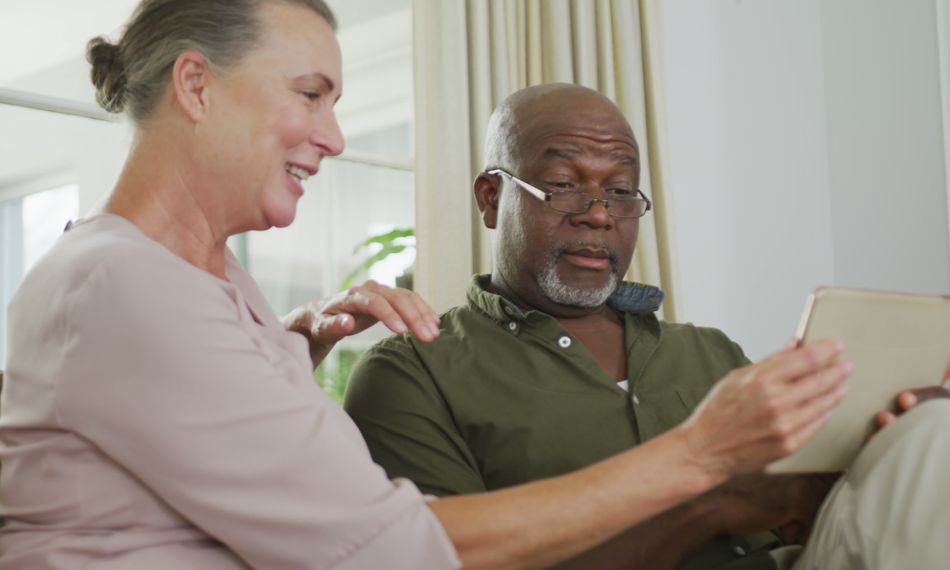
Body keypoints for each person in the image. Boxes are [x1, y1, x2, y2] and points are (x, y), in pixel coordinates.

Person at [0, 2, 853, 568]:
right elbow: (382, 548)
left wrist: (287, 347)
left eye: (619, 190)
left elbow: (192, 450)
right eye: (310, 94)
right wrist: (699, 459)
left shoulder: (205, 283)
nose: (333, 137)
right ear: (196, 85)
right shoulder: (120, 284)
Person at [342, 83, 950, 569]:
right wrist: (717, 506)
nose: (599, 214)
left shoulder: (709, 352)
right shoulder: (416, 371)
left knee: (937, 435)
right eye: (564, 185)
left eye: (623, 193)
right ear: (491, 196)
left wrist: (889, 434)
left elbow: (813, 507)